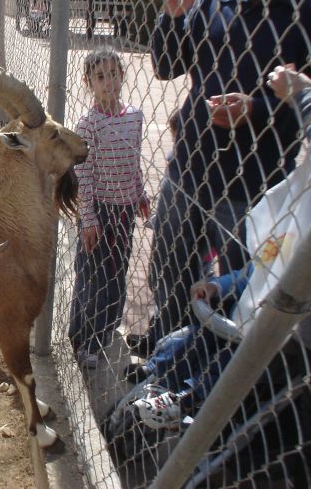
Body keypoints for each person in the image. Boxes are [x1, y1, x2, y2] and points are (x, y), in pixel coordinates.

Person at [133, 0, 311, 357]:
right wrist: (173, 16)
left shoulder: (305, 7)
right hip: (190, 167)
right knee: (170, 267)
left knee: (237, 281)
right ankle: (165, 350)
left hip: (254, 181)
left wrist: (256, 108)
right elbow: (167, 66)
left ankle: (214, 369)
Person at [129, 67, 311, 429]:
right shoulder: (287, 233)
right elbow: (252, 271)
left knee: (232, 361)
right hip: (242, 307)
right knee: (188, 337)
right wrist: (218, 284)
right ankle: (160, 374)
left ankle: (190, 399)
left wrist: (292, 96)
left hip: (273, 334)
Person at [69, 48, 150, 368]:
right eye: (100, 77)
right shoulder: (88, 124)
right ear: (88, 82)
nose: (108, 83)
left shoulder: (135, 116)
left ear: (122, 76)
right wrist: (88, 219)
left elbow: (134, 160)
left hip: (124, 210)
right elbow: (83, 176)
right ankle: (84, 339)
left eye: (113, 75)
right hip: (99, 210)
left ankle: (107, 326)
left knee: (118, 269)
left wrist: (140, 193)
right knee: (92, 276)